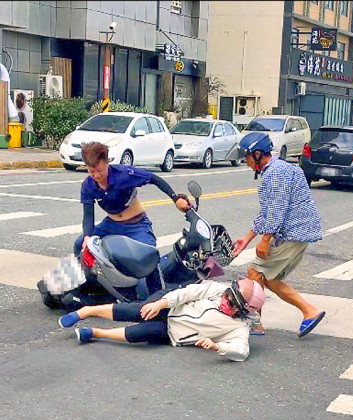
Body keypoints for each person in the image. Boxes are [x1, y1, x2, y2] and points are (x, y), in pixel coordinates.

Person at [231, 131, 325, 338]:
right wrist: (247, 238)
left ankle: (254, 323)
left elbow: (276, 210)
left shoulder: (276, 173)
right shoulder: (278, 169)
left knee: (256, 272)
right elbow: (268, 211)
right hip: (296, 233)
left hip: (292, 233)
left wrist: (264, 240)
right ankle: (310, 311)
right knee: (269, 279)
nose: (245, 163)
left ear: (256, 154)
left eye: (246, 157)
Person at [73, 142, 192, 295]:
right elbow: (88, 215)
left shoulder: (125, 174)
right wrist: (87, 237)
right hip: (111, 224)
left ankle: (157, 296)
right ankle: (87, 285)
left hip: (136, 225)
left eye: (99, 170)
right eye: (91, 171)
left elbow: (154, 179)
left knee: (148, 256)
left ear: (107, 163)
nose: (96, 175)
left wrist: (175, 199)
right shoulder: (88, 185)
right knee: (80, 245)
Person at [56, 279, 266, 362]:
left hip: (173, 333)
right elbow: (189, 292)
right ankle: (86, 311)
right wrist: (161, 303)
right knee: (138, 311)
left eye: (232, 301)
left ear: (242, 310)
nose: (225, 299)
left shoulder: (239, 327)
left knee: (139, 333)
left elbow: (241, 350)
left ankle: (95, 333)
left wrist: (217, 346)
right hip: (170, 306)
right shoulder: (218, 289)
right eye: (228, 294)